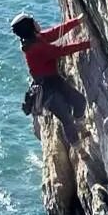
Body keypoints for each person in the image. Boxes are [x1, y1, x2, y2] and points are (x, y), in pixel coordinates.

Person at [12, 12, 89, 143]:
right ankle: (78, 147)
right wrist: (88, 44)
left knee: (79, 101)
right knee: (66, 117)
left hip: (54, 81)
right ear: (29, 27)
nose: (36, 22)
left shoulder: (35, 39)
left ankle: (79, 126)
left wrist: (77, 21)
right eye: (33, 21)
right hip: (46, 90)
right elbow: (60, 50)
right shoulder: (35, 48)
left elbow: (55, 33)